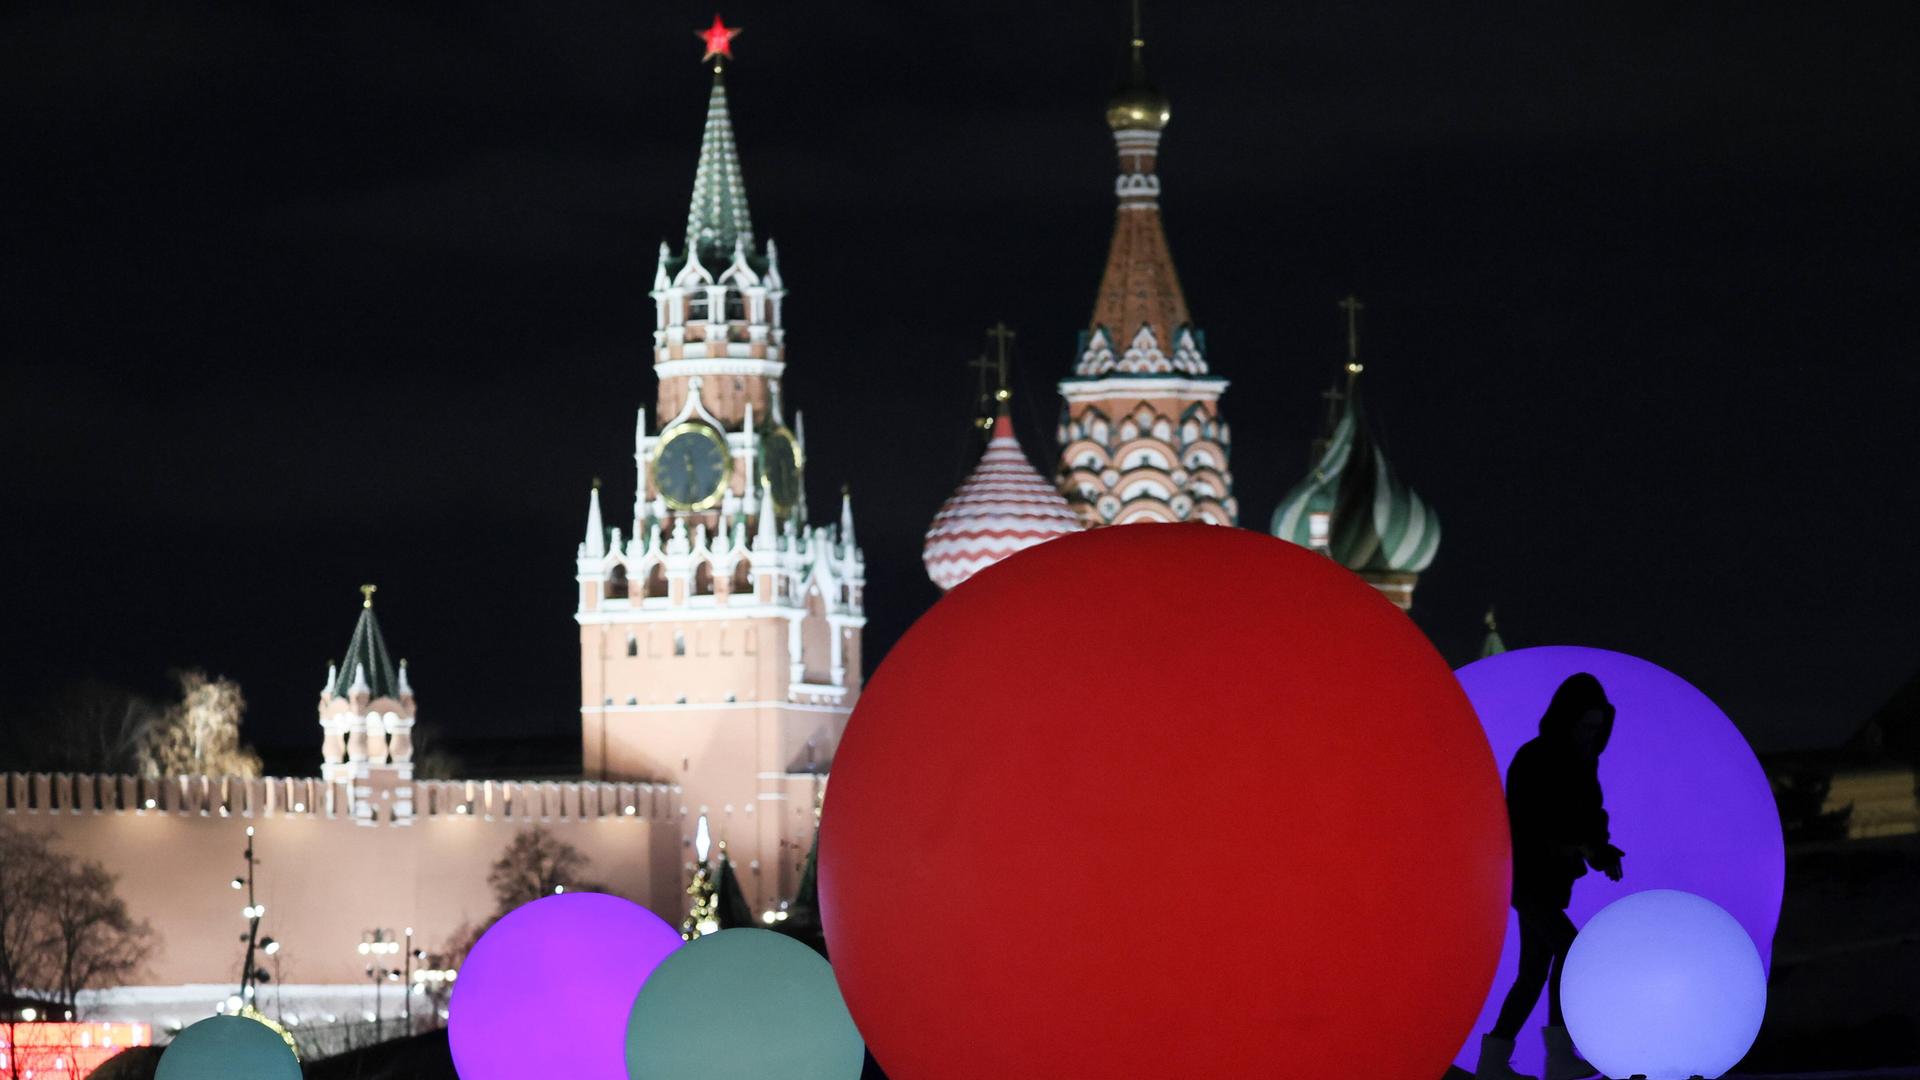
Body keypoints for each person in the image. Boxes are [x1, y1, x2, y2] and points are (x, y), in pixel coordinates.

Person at [1476, 673, 1625, 1080]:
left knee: (1532, 973)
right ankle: (1558, 1054)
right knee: (1571, 950)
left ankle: (1493, 1063)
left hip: (1553, 881)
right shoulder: (1535, 759)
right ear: (1566, 720)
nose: (1591, 736)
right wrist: (1580, 847)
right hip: (1530, 879)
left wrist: (1599, 848)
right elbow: (1526, 825)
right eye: (1585, 727)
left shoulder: (1583, 763)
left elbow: (1590, 818)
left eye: (1597, 729)